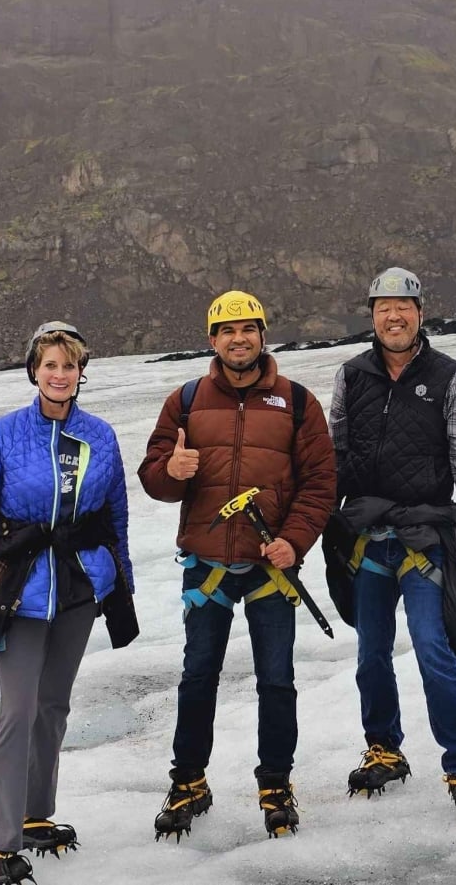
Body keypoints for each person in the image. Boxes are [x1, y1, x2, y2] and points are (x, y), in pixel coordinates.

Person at [139, 290, 336, 840]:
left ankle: (275, 784)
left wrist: (294, 541)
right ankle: (189, 782)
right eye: (227, 331)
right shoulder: (184, 400)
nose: (238, 339)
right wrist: (172, 470)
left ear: (263, 335)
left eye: (247, 329)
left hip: (272, 567)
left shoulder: (298, 402)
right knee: (198, 676)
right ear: (211, 340)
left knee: (277, 680)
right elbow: (153, 478)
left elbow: (321, 483)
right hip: (209, 567)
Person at [0, 321, 134, 884]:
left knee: (53, 706)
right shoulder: (2, 437)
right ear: (34, 371)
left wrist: (119, 585)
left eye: (70, 366)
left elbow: (114, 518)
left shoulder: (100, 435)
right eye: (50, 365)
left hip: (77, 589)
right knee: (18, 711)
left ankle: (32, 814)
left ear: (81, 374)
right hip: (20, 593)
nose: (60, 374)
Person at [324, 268, 456, 817]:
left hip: (424, 536)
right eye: (382, 307)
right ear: (371, 315)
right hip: (368, 539)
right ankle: (384, 749)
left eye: (404, 306)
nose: (393, 316)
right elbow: (335, 455)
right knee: (372, 652)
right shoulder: (351, 376)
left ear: (420, 313)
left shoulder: (450, 377)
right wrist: (325, 514)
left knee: (430, 644)